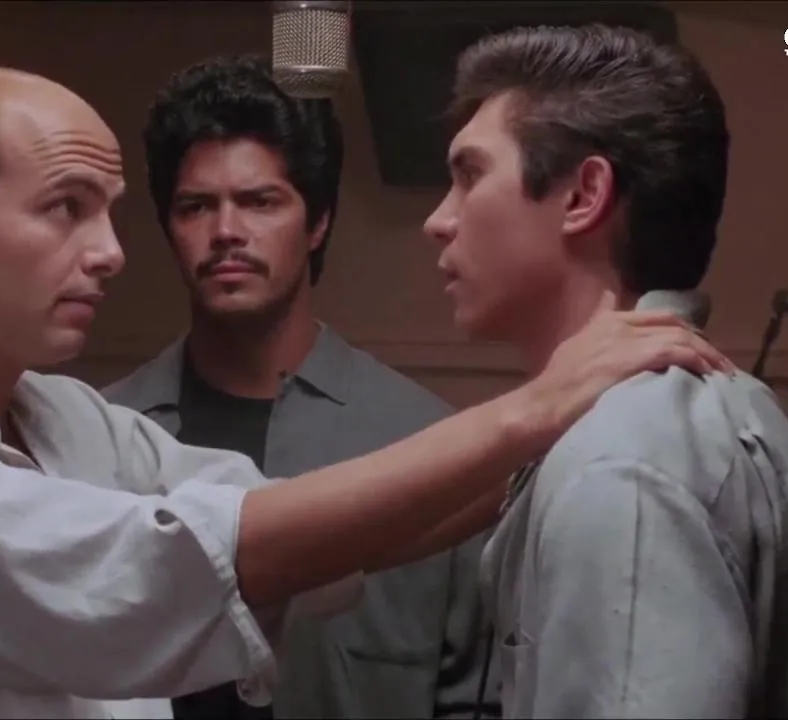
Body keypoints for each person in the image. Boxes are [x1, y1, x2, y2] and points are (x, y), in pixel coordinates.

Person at [0, 66, 731, 719]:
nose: (110, 252)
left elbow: (288, 529)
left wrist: (567, 426)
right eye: (65, 209)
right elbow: (175, 562)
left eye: (109, 214)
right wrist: (534, 406)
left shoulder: (67, 418)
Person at [423, 25, 788, 718]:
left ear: (583, 195)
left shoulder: (621, 463)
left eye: (470, 175)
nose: (438, 221)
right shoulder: (723, 405)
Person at [103, 56, 496, 720]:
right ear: (169, 228)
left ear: (317, 223)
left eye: (260, 202)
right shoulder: (103, 437)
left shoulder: (426, 446)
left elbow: (478, 695)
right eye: (196, 206)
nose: (226, 232)